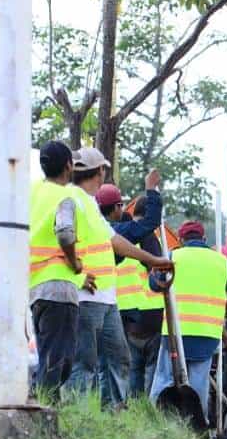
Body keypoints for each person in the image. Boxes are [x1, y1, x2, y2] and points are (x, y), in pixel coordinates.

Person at [68, 147, 171, 407]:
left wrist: (153, 260)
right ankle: (77, 417)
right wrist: (79, 274)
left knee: (118, 358)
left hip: (108, 301)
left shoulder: (90, 206)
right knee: (86, 363)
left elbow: (115, 241)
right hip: (87, 296)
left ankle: (113, 412)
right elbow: (62, 241)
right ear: (99, 171)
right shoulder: (74, 202)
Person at [149, 221, 227, 423]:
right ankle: (197, 427)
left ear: (181, 240)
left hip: (175, 332)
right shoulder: (221, 261)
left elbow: (153, 284)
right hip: (207, 333)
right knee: (198, 385)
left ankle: (154, 423)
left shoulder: (173, 256)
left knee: (165, 379)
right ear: (204, 239)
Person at [27, 141, 90, 401]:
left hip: (36, 290)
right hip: (58, 290)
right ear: (69, 166)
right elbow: (65, 232)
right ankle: (42, 412)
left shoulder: (32, 193)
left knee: (49, 358)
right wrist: (76, 264)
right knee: (58, 363)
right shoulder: (63, 196)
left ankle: (42, 405)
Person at [97, 172, 165, 397]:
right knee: (121, 363)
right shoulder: (118, 232)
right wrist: (151, 189)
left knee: (99, 365)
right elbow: (150, 223)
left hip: (97, 306)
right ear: (116, 207)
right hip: (129, 313)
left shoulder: (88, 228)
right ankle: (121, 406)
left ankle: (108, 408)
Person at [114, 193, 166, 397]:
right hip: (151, 313)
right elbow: (158, 274)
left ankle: (134, 409)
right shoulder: (148, 238)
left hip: (125, 314)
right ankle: (148, 408)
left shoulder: (118, 237)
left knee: (132, 368)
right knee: (151, 369)